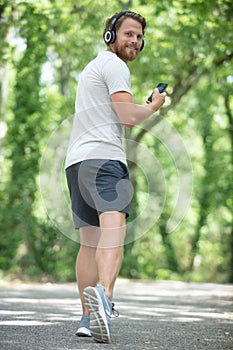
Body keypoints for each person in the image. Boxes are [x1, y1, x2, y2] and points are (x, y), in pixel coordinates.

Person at [65, 10, 166, 344]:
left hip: (77, 163)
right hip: (105, 159)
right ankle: (105, 300)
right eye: (129, 34)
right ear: (110, 35)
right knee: (114, 231)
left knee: (90, 242)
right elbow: (127, 117)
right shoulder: (115, 65)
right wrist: (152, 107)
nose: (135, 41)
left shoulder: (93, 67)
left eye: (139, 36)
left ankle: (86, 317)